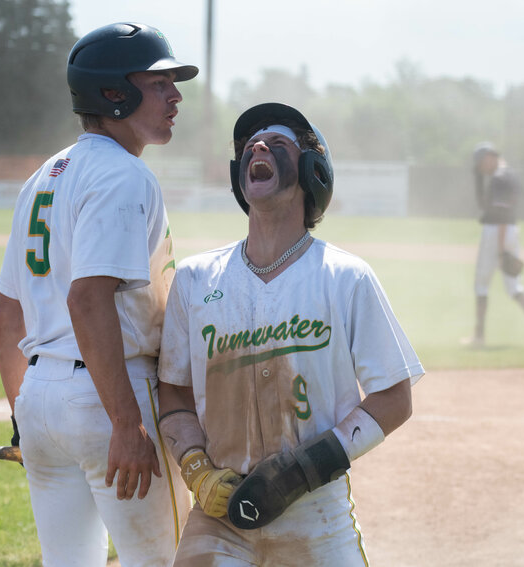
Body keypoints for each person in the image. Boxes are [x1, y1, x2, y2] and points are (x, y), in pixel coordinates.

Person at [156, 102, 425, 566]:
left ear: (311, 171)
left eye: (278, 144)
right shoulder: (196, 279)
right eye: (250, 147)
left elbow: (394, 397)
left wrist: (302, 471)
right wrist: (197, 470)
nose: (257, 146)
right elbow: (174, 392)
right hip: (220, 514)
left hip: (316, 515)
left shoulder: (346, 276)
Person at [0, 22, 197, 567]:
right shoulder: (123, 176)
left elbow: (7, 315)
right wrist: (125, 424)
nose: (175, 95)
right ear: (113, 93)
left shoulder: (43, 177)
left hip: (39, 396)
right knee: (163, 561)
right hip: (112, 394)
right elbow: (88, 300)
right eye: (159, 83)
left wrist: (24, 414)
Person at [462, 142, 524, 348]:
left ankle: (478, 337)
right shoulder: (508, 174)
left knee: (481, 284)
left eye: (480, 164)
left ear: (488, 158)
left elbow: (500, 214)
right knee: (514, 285)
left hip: (497, 231)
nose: (480, 168)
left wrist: (501, 252)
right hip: (511, 230)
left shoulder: (499, 178)